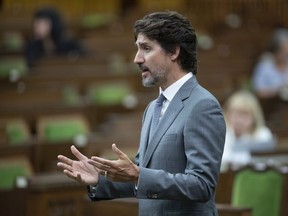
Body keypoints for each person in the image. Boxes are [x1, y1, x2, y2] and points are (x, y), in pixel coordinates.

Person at [57, 11, 226, 215]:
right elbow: (140, 177)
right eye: (138, 49)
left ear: (173, 52)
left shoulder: (202, 105)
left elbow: (202, 184)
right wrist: (99, 180)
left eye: (146, 48)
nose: (137, 59)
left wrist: (139, 175)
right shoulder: (153, 107)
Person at [221, 90, 275, 167]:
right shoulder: (221, 133)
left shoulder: (263, 134)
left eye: (245, 115)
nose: (239, 120)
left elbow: (267, 165)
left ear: (254, 117)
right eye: (235, 114)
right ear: (227, 114)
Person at [252, 28, 288, 99]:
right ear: (276, 50)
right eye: (285, 51)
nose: (287, 54)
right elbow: (258, 91)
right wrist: (277, 90)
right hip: (270, 107)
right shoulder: (264, 66)